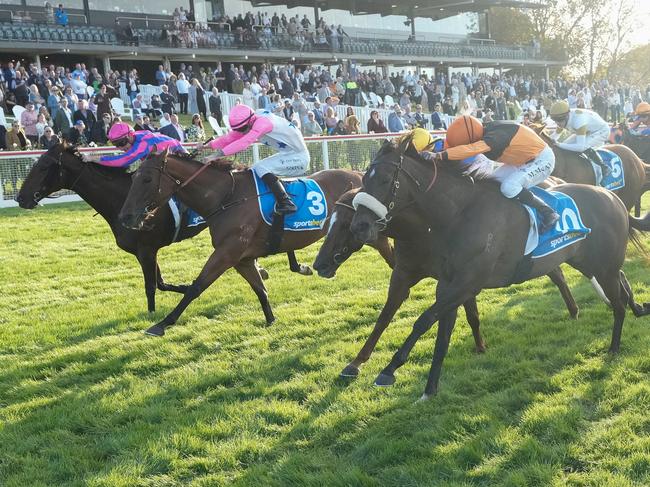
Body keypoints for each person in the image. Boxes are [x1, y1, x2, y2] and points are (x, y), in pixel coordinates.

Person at [421, 115, 559, 233]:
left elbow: (471, 149)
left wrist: (440, 155)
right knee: (490, 183)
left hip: (542, 159)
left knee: (509, 187)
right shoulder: (481, 129)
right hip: (521, 160)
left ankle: (548, 212)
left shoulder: (494, 138)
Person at [200, 104, 310, 214]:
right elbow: (230, 137)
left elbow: (244, 142)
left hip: (300, 157)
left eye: (242, 129)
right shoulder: (252, 118)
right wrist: (208, 145)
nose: (241, 132)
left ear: (250, 121)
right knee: (254, 169)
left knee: (260, 167)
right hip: (288, 154)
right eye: (239, 129)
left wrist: (215, 156)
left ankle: (287, 202)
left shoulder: (263, 123)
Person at [549, 100, 611, 177]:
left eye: (560, 120)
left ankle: (604, 167)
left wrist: (559, 144)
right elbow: (555, 135)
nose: (558, 123)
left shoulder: (579, 121)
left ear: (567, 116)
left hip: (601, 131)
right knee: (565, 147)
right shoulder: (564, 117)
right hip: (587, 131)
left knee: (584, 147)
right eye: (555, 120)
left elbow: (580, 147)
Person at [83, 122, 186, 167]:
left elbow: (123, 160)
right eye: (116, 144)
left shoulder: (143, 143)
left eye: (122, 143)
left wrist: (94, 157)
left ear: (130, 135)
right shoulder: (136, 137)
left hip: (181, 157)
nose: (120, 148)